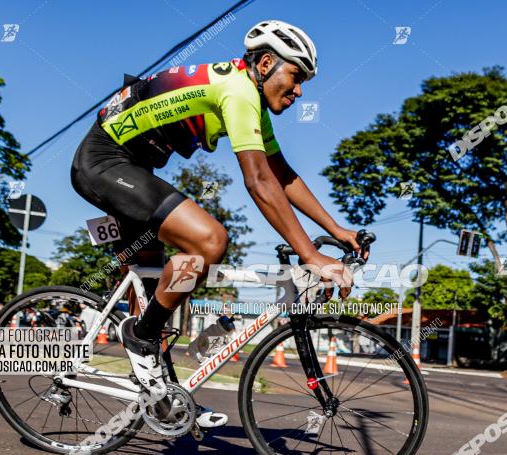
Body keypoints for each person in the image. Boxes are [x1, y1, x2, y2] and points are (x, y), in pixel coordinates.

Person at [70, 20, 364, 430]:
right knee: (208, 241)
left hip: (132, 167)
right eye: (296, 76)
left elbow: (281, 173)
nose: (299, 91)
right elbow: (258, 180)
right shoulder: (239, 91)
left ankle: (161, 394)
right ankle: (137, 337)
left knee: (160, 288)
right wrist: (310, 254)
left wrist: (335, 230)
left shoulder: (249, 96)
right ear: (265, 63)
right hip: (104, 163)